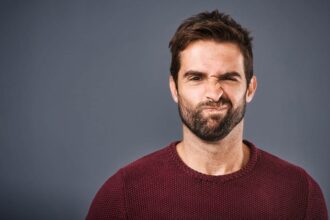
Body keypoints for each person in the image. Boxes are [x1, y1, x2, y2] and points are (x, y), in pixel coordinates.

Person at [86, 10, 328, 219]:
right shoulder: (124, 195)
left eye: (228, 78)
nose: (214, 93)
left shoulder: (299, 193)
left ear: (250, 88)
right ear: (174, 88)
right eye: (196, 78)